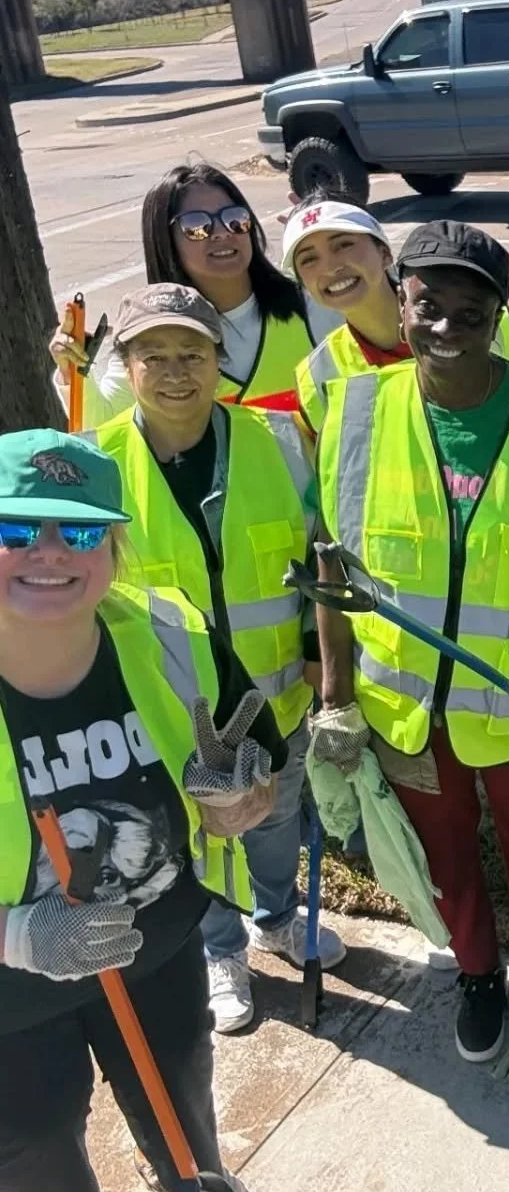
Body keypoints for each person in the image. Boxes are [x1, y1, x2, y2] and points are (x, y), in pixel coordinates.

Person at [306, 220, 509, 1065]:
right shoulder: (356, 413)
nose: (447, 323)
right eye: (429, 302)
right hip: (407, 706)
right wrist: (335, 694)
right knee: (444, 848)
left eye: (471, 308)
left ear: (499, 313)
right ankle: (476, 970)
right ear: (400, 303)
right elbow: (331, 563)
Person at [0, 429, 286, 1192]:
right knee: (36, 1146)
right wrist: (18, 935)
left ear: (115, 547)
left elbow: (261, 765)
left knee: (178, 1084)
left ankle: (185, 1179)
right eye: (15, 531)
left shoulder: (173, 639)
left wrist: (241, 804)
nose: (48, 553)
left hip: (153, 944)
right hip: (6, 995)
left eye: (81, 530)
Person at [87, 284, 345, 1035]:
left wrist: (314, 661)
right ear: (126, 367)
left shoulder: (279, 442)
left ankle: (276, 916)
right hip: (170, 714)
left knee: (274, 821)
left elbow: (320, 558)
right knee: (195, 836)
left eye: (193, 353)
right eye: (154, 356)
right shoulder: (98, 466)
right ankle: (221, 949)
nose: (176, 372)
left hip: (274, 698)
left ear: (219, 361)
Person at [50, 163, 341, 428]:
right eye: (197, 227)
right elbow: (104, 427)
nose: (222, 233)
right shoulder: (145, 332)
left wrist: (343, 238)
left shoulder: (311, 304)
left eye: (235, 219)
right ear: (165, 242)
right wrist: (72, 375)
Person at [278, 196, 509, 435]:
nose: (331, 268)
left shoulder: (479, 320)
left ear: (385, 252)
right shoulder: (316, 376)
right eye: (309, 259)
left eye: (343, 245)